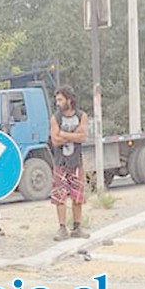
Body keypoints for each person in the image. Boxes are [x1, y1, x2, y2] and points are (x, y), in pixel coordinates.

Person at [50, 85, 90, 241]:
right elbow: (55, 140)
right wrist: (73, 135)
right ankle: (61, 227)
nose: (58, 103)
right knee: (60, 196)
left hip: (76, 162)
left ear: (69, 100)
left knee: (77, 196)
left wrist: (64, 134)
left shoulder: (81, 116)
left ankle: (77, 226)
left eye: (60, 99)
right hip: (60, 162)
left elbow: (82, 137)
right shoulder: (55, 118)